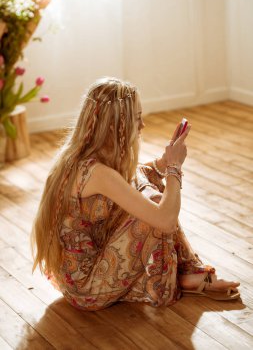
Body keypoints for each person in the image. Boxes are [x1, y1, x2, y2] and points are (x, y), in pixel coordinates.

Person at [30, 77, 240, 311]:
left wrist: (162, 163)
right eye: (137, 119)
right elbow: (166, 221)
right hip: (86, 288)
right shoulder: (97, 173)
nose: (142, 126)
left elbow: (134, 178)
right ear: (114, 126)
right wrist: (174, 168)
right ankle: (188, 274)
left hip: (75, 275)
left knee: (145, 187)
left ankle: (189, 272)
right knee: (157, 206)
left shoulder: (82, 159)